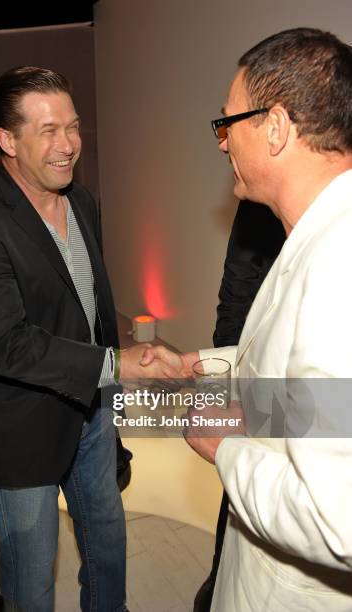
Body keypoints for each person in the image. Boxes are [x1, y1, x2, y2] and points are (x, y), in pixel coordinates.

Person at [0, 67, 177, 612]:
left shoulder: (84, 202)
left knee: (108, 547)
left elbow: (91, 308)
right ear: (6, 140)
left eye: (72, 127)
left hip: (92, 415)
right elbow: (7, 346)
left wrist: (109, 402)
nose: (68, 145)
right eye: (48, 131)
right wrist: (118, 363)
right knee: (31, 574)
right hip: (24, 427)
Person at [147, 27, 352, 611]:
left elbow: (335, 520)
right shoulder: (315, 232)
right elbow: (313, 394)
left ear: (278, 128)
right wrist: (203, 364)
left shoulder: (341, 263)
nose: (220, 143)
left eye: (227, 122)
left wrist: (224, 446)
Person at [194, 201, 284, 611]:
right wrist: (228, 382)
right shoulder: (259, 205)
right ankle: (220, 580)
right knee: (238, 496)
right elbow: (235, 297)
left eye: (228, 130)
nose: (223, 142)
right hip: (256, 389)